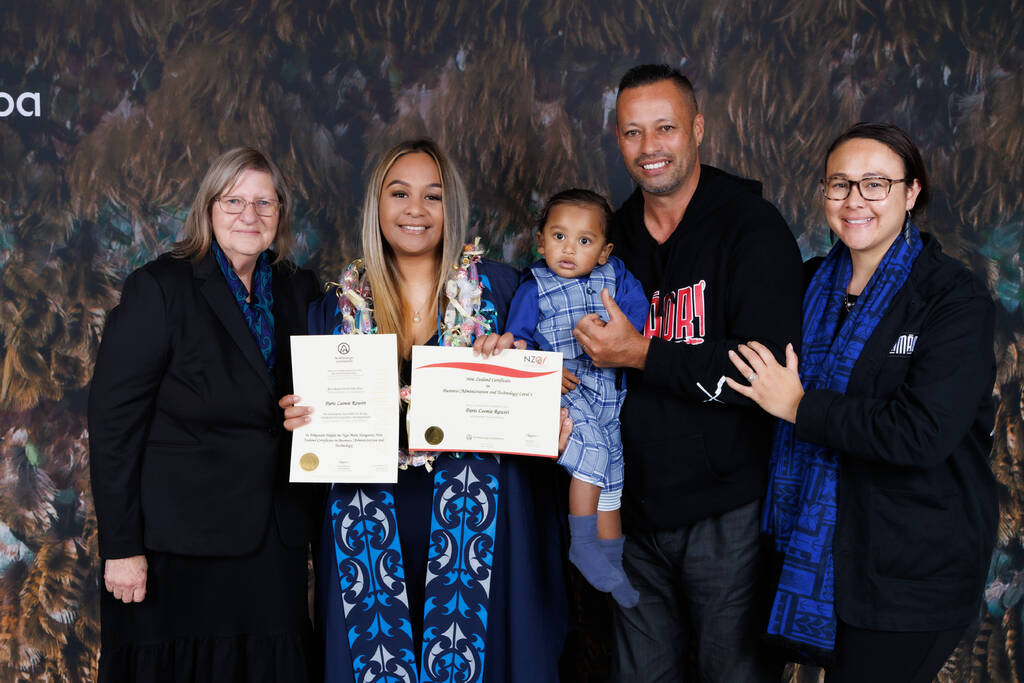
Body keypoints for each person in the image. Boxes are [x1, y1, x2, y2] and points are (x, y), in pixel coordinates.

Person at [279, 139, 569, 683]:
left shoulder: (500, 292)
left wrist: (548, 423)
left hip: (480, 521)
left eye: (432, 196)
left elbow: (557, 385)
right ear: (377, 205)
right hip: (369, 519)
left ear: (450, 207)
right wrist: (302, 419)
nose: (416, 209)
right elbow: (313, 424)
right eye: (400, 193)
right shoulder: (335, 308)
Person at [726, 122, 998, 682]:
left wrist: (801, 407)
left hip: (911, 571)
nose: (855, 201)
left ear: (911, 192)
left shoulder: (952, 298)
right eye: (840, 184)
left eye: (876, 184)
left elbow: (921, 432)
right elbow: (723, 363)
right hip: (813, 556)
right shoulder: (800, 286)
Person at [573, 64, 803, 681]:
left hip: (725, 513)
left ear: (697, 129)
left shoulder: (751, 228)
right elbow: (555, 324)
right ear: (617, 140)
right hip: (630, 511)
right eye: (632, 133)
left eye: (665, 128)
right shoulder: (610, 236)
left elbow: (765, 377)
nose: (650, 148)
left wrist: (645, 353)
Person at [88, 147, 322, 681]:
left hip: (273, 539)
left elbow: (312, 389)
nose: (250, 215)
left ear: (280, 213)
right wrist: (121, 547)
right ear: (208, 208)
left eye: (264, 202)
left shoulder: (297, 288)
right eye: (233, 200)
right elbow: (113, 425)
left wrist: (301, 411)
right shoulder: (160, 288)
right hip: (178, 544)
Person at [498, 188, 647, 608]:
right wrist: (542, 368)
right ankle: (582, 544)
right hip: (565, 391)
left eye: (585, 241)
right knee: (594, 455)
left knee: (613, 475)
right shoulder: (535, 287)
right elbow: (519, 344)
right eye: (558, 236)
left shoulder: (617, 277)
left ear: (604, 251)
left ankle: (612, 565)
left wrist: (621, 330)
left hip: (608, 392)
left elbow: (638, 318)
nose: (569, 249)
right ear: (541, 241)